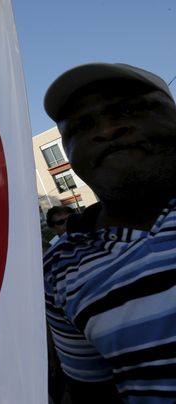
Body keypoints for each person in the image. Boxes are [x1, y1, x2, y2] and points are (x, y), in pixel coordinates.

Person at [42, 62, 176, 403]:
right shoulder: (59, 266)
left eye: (131, 109)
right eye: (82, 126)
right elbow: (94, 393)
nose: (108, 130)